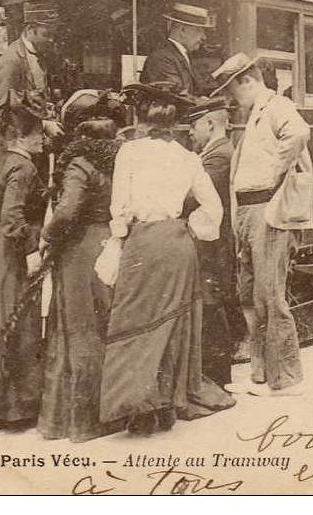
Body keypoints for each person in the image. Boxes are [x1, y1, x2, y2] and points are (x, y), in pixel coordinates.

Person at [100, 83, 235, 436]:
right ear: (174, 121)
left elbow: (119, 209)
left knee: (135, 325)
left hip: (143, 243)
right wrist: (191, 227)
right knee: (172, 326)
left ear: (142, 119)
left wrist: (118, 235)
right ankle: (167, 404)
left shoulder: (128, 153)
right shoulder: (188, 158)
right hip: (177, 245)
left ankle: (139, 409)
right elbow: (213, 209)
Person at [211, 53, 313, 398]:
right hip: (251, 214)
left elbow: (299, 133)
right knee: (251, 296)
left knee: (270, 296)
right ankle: (259, 374)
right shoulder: (257, 112)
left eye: (232, 90)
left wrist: (273, 175)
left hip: (269, 213)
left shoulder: (277, 107)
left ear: (247, 81)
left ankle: (285, 378)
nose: (229, 99)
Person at [38, 90, 125, 442]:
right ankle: (108, 414)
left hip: (80, 250)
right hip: (110, 243)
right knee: (103, 326)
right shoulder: (119, 158)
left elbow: (67, 211)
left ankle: (77, 422)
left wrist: (47, 238)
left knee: (76, 331)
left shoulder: (78, 163)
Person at [0, 92, 49, 427]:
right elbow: (12, 216)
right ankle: (17, 409)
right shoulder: (23, 166)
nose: (43, 140)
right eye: (38, 135)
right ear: (22, 137)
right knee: (19, 322)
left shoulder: (2, 159)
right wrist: (31, 250)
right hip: (12, 251)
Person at [186, 97, 246, 387]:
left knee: (213, 302)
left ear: (210, 123)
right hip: (213, 240)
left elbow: (192, 196)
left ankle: (218, 372)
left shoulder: (219, 155)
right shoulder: (216, 151)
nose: (189, 132)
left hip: (216, 243)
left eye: (193, 125)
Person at [0, 2, 64, 139]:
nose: (51, 40)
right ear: (30, 29)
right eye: (46, 34)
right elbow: (2, 111)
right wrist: (42, 125)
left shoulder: (39, 54)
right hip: (19, 142)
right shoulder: (12, 61)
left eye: (53, 35)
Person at [140, 3, 215, 96]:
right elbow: (175, 96)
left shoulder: (182, 55)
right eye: (199, 31)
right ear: (182, 30)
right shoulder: (162, 58)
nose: (204, 37)